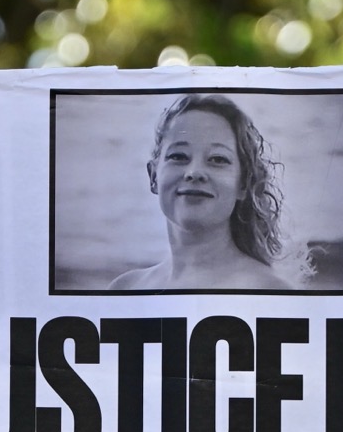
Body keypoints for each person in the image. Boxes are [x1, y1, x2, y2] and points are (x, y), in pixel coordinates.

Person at [108, 93, 315, 291]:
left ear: (243, 184)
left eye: (217, 159)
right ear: (153, 176)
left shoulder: (271, 292)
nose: (194, 172)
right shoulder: (125, 289)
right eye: (179, 156)